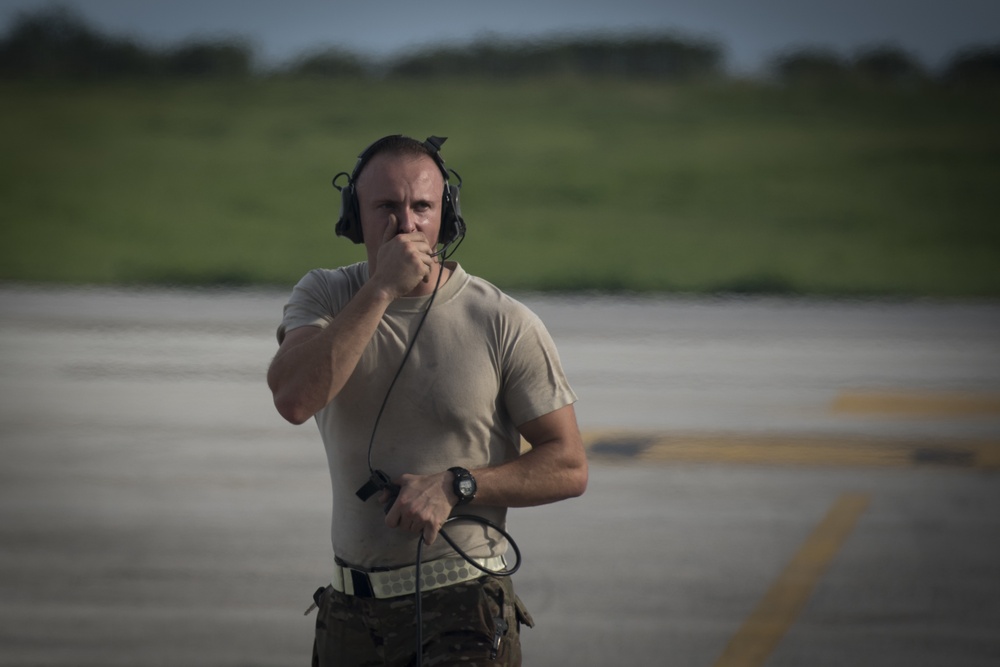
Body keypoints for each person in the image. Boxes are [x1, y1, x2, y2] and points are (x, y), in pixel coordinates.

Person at [266, 134, 587, 666]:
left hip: (461, 605)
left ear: (447, 215)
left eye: (422, 207)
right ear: (355, 217)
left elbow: (569, 465)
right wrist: (381, 290)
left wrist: (457, 484)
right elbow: (294, 399)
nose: (407, 225)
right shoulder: (325, 296)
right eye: (386, 208)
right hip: (350, 609)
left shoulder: (502, 321)